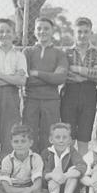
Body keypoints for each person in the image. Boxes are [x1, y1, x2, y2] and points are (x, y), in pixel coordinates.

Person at [0, 18, 28, 175]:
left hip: (11, 99)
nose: (4, 34)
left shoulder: (19, 56)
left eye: (8, 31)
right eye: (1, 31)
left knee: (9, 136)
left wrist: (0, 75)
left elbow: (21, 80)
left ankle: (6, 176)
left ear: (14, 34)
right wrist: (11, 78)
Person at [61, 17, 97, 157]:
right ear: (74, 33)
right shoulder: (66, 52)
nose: (82, 35)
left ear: (91, 33)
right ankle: (68, 166)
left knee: (84, 133)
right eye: (79, 31)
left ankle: (82, 168)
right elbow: (65, 73)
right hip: (70, 93)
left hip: (89, 93)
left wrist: (78, 70)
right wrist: (87, 74)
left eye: (86, 32)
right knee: (69, 132)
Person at [23, 17, 68, 153]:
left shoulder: (59, 53)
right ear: (35, 31)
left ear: (52, 31)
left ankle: (47, 164)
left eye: (46, 28)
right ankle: (30, 164)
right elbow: (25, 79)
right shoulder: (27, 52)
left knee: (49, 134)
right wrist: (49, 77)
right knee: (29, 133)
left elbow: (60, 78)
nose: (42, 31)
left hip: (51, 100)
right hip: (31, 99)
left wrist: (36, 73)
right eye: (39, 28)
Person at [41, 123, 86, 193]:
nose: (61, 140)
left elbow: (82, 166)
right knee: (55, 171)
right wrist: (54, 175)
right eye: (57, 137)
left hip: (69, 190)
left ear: (69, 140)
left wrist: (65, 175)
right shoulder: (46, 153)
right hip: (52, 189)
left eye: (64, 137)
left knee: (73, 171)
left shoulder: (72, 152)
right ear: (51, 139)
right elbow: (43, 173)